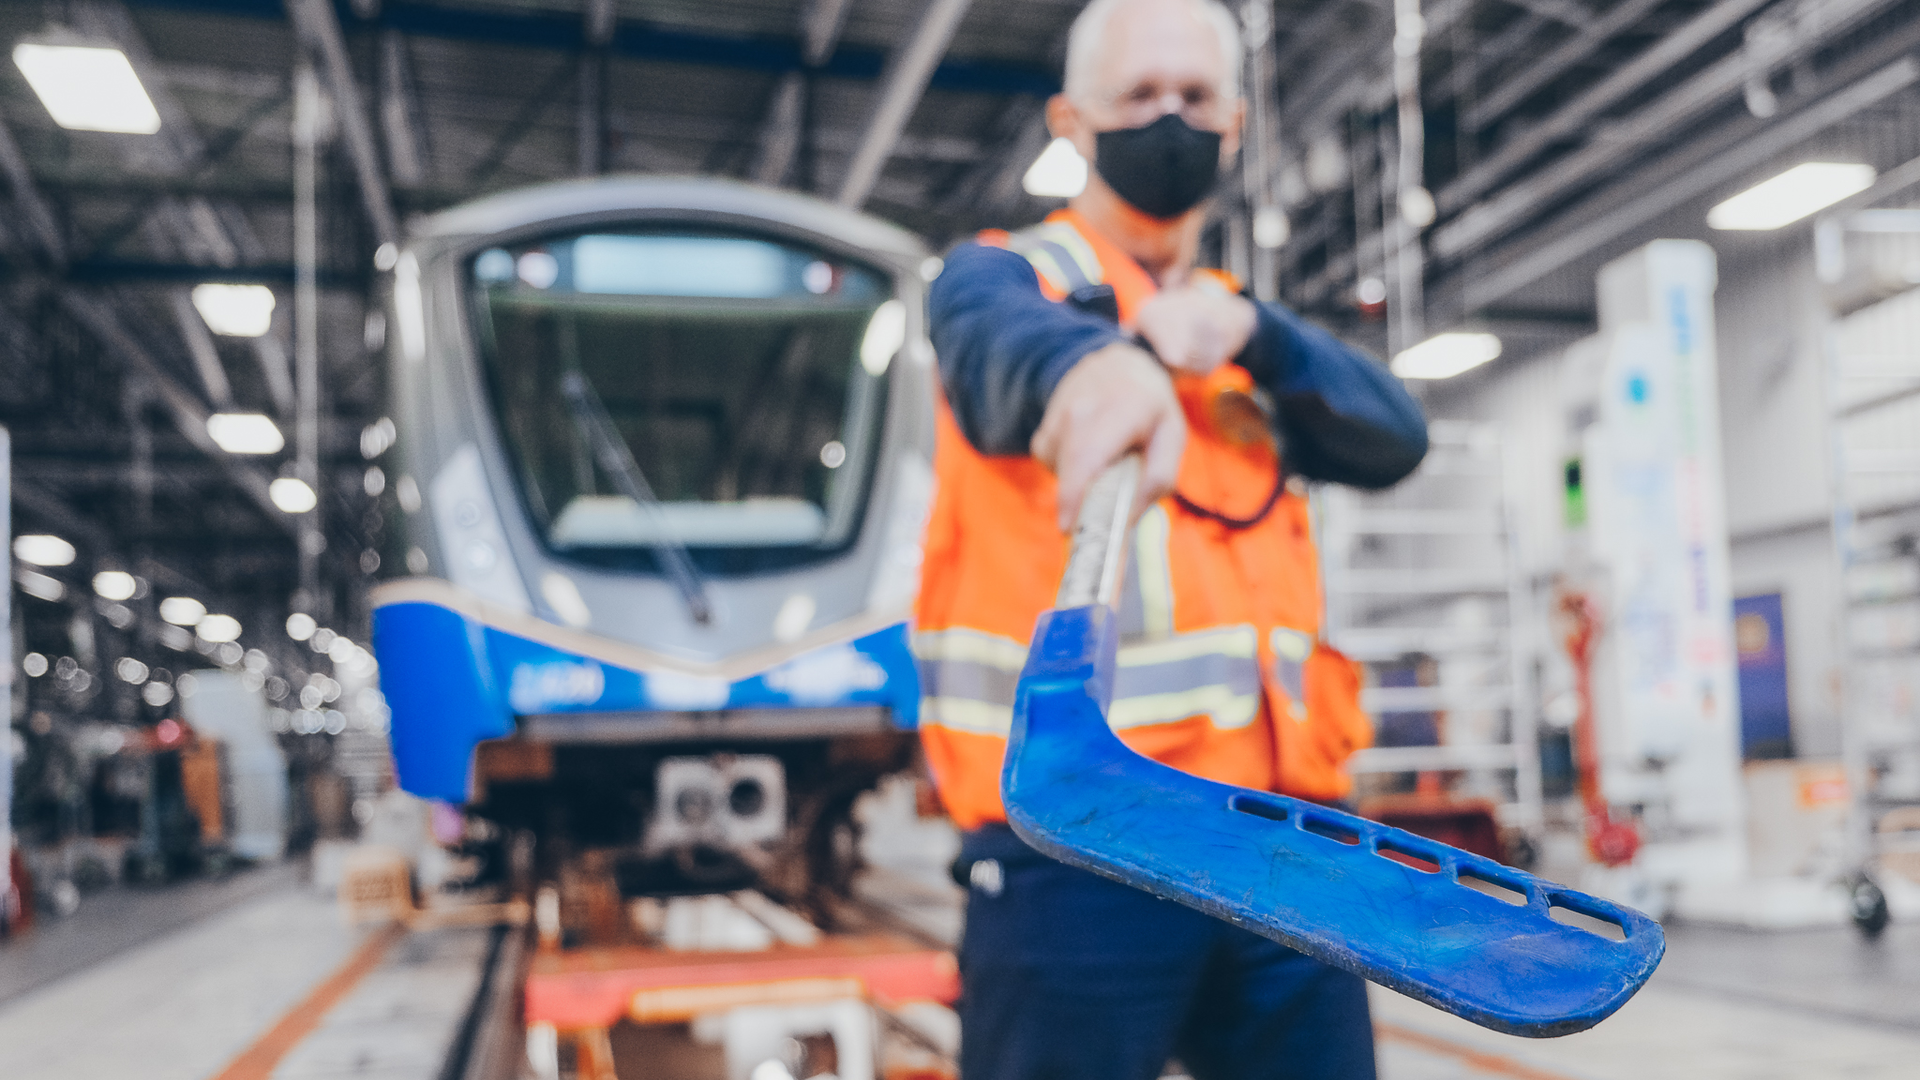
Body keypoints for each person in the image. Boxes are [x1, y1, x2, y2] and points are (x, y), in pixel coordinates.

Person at [912, 1, 1429, 1077]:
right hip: (1079, 842)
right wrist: (1090, 369)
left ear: (1235, 124)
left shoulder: (1236, 329)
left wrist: (1258, 331)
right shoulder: (1010, 278)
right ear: (1071, 119)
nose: (1169, 120)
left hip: (1288, 847)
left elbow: (1392, 437)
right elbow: (987, 337)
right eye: (1138, 96)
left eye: (1194, 99)